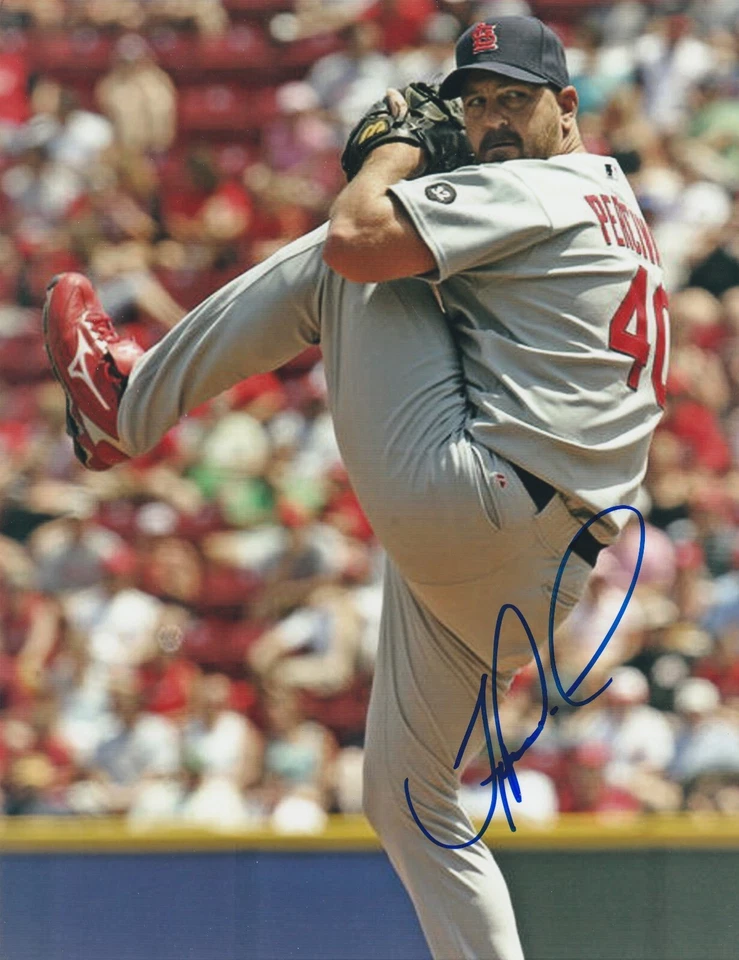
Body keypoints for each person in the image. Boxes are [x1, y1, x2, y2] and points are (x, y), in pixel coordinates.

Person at [43, 16, 667, 960]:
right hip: (538, 570)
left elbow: (357, 237)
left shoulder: (540, 187)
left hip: (477, 496)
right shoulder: (610, 198)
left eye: (515, 99)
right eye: (476, 101)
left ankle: (123, 403)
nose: (491, 118)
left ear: (568, 110)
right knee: (410, 801)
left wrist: (399, 150)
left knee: (357, 269)